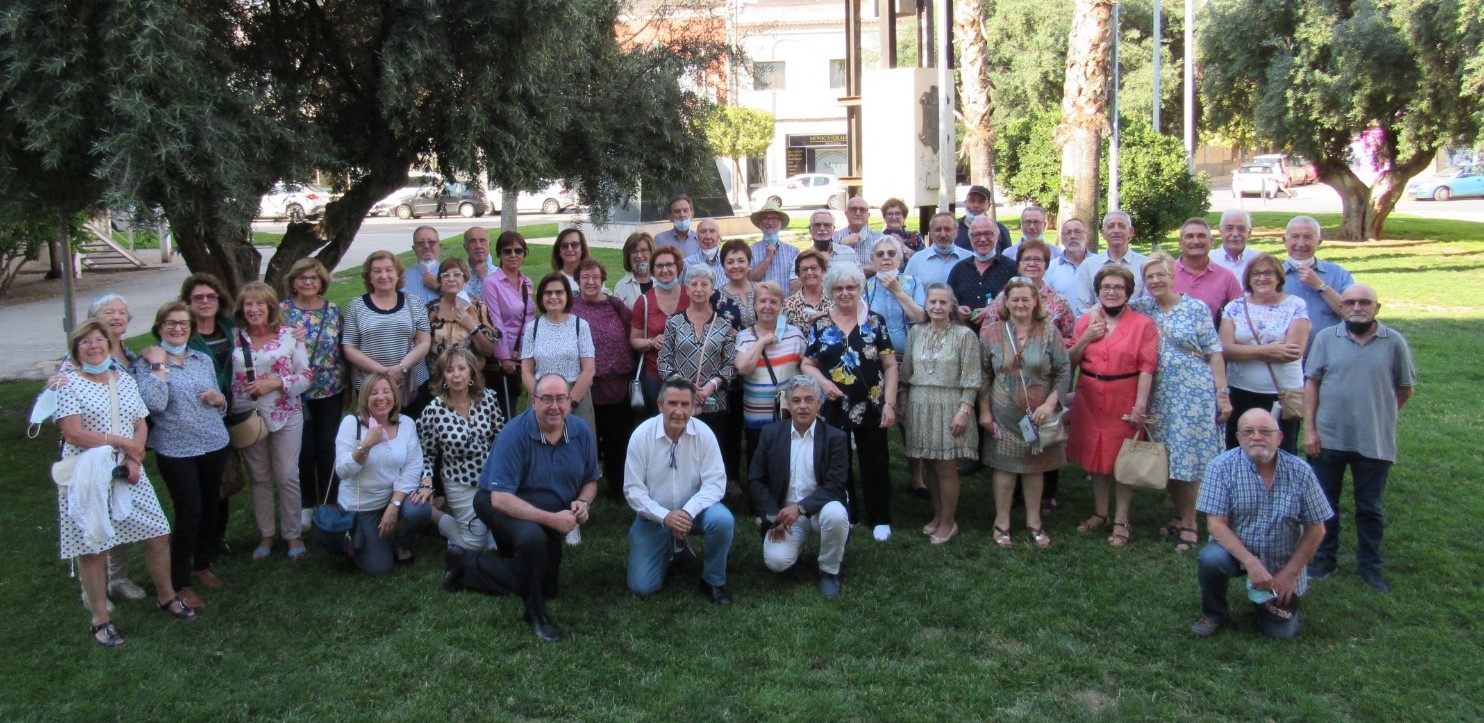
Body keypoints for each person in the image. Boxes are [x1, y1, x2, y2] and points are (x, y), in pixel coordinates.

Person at [56, 322, 198, 648]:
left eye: (99, 340)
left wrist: (134, 457)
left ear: (109, 345)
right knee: (93, 546)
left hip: (127, 468)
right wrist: (121, 442)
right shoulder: (67, 384)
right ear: (76, 350)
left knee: (158, 531)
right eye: (86, 342)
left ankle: (166, 595)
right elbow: (73, 433)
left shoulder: (122, 380)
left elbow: (140, 422)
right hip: (88, 474)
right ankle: (100, 619)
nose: (94, 346)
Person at [445, 375, 599, 644]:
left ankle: (465, 564)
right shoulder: (514, 434)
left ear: (569, 401)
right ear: (533, 401)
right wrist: (552, 520)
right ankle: (536, 614)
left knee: (546, 584)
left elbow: (590, 480)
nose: (555, 406)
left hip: (546, 509)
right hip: (501, 501)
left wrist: (583, 502)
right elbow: (500, 499)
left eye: (561, 398)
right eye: (547, 399)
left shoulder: (580, 431)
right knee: (532, 538)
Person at [1302, 285, 1416, 593]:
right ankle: (1324, 560)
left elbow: (1405, 388)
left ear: (1377, 307)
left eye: (1364, 302)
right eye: (1350, 302)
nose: (1357, 307)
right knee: (1325, 505)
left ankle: (1370, 567)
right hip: (1328, 438)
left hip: (1374, 441)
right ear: (1341, 307)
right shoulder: (1326, 338)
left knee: (1370, 508)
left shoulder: (1394, 342)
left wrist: (1380, 416)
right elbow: (1311, 384)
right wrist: (1309, 429)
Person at [1191, 409, 1332, 640]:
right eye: (1248, 431)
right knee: (1211, 559)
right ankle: (1214, 614)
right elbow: (1216, 525)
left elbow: (1317, 529)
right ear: (1238, 438)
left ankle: (1265, 603)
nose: (1256, 437)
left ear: (1279, 437)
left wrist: (1290, 574)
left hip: (1281, 557)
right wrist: (1251, 563)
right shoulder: (1220, 467)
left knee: (1282, 634)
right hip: (1235, 551)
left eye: (1265, 431)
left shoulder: (1301, 471)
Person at [1130, 253, 1232, 554]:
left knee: (1189, 458)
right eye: (1149, 277)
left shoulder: (1195, 308)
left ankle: (1190, 523)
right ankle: (1178, 513)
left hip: (1193, 392)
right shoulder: (1143, 307)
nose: (1155, 281)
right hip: (1159, 394)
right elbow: (1109, 306)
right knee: (1169, 456)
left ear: (1172, 276)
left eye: (1160, 275)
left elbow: (1214, 352)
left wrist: (1222, 393)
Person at [131, 302, 230, 612]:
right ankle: (180, 581)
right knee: (190, 510)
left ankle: (202, 563)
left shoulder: (202, 359)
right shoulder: (148, 362)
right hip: (176, 448)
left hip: (213, 441)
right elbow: (155, 404)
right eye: (171, 323)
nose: (178, 328)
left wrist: (220, 399)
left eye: (184, 323)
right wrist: (159, 366)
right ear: (160, 327)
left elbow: (220, 403)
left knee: (211, 505)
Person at [53, 294, 148, 605]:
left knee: (121, 517)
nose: (117, 317)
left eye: (122, 312)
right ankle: (93, 588)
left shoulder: (130, 357)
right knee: (92, 518)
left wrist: (134, 452)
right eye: (109, 312)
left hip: (126, 453)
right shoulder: (76, 362)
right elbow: (65, 409)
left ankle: (118, 577)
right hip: (90, 456)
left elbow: (138, 412)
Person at [802, 262, 899, 541]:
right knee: (837, 462)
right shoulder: (820, 324)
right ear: (830, 291)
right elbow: (807, 364)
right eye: (838, 288)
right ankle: (847, 512)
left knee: (875, 461)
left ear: (860, 289)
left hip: (871, 404)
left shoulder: (875, 322)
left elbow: (890, 366)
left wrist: (889, 404)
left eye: (851, 287)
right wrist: (823, 383)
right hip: (833, 405)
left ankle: (880, 517)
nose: (845, 293)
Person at [1068, 265, 1159, 546]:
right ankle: (1100, 512)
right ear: (1098, 291)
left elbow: (1147, 367)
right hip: (1090, 397)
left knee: (1123, 459)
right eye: (1106, 287)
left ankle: (1121, 519)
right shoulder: (1087, 321)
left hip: (1124, 398)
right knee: (1096, 458)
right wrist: (1087, 336)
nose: (1111, 292)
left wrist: (1140, 405)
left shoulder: (1143, 325)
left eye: (1118, 287)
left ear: (1128, 292)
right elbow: (1070, 359)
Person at [623, 380, 735, 604]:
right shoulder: (641, 436)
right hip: (654, 516)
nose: (679, 411)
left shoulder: (704, 434)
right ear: (660, 405)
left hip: (696, 512)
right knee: (642, 587)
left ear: (693, 407)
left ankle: (713, 581)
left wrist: (687, 512)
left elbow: (715, 483)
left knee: (723, 520)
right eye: (672, 403)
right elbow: (633, 490)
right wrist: (665, 516)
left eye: (685, 405)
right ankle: (672, 546)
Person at [979, 278, 1070, 549]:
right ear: (1006, 303)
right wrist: (984, 412)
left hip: (1038, 416)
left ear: (1035, 302)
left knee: (1034, 468)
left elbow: (1064, 370)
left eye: (1025, 299)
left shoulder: (1049, 331)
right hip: (1003, 413)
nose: (1020, 304)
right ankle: (1001, 523)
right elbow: (983, 374)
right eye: (1015, 299)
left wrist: (1050, 404)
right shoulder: (992, 332)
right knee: (1004, 467)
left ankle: (1034, 522)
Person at [748, 375, 851, 598]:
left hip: (821, 509)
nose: (802, 406)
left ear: (819, 403)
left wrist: (801, 508)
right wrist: (772, 517)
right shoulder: (770, 433)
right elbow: (756, 480)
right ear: (788, 403)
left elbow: (835, 486)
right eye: (796, 400)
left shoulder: (836, 438)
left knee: (836, 514)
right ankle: (798, 546)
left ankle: (829, 570)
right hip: (784, 515)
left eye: (808, 400)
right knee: (776, 562)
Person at [232, 281, 312, 561]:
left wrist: (276, 383)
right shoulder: (235, 337)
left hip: (285, 412)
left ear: (270, 307)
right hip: (248, 417)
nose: (254, 309)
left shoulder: (290, 335)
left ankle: (293, 535)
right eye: (248, 304)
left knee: (287, 475)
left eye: (260, 304)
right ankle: (266, 534)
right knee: (259, 477)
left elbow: (306, 376)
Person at [332, 373, 434, 575]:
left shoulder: (406, 424)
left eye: (386, 391)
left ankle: (401, 539)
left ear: (394, 397)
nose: (381, 397)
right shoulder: (351, 424)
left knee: (420, 509)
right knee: (380, 567)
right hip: (362, 506)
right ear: (364, 398)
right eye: (374, 393)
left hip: (393, 497)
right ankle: (360, 536)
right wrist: (365, 446)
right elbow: (343, 471)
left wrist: (394, 505)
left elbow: (413, 467)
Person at [904, 284, 982, 545]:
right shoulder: (916, 332)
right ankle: (937, 515)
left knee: (946, 465)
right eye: (933, 302)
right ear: (925, 305)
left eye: (943, 302)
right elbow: (906, 372)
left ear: (952, 306)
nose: (937, 307)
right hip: (920, 404)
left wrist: (964, 410)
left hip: (950, 405)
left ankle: (949, 522)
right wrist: (903, 403)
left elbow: (972, 378)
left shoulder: (964, 335)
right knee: (929, 463)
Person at [279, 258, 346, 533]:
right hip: (294, 392)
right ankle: (306, 502)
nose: (308, 282)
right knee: (303, 448)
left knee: (328, 445)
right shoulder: (282, 311)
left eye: (313, 278)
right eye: (302, 278)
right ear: (293, 282)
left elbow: (342, 347)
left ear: (322, 282)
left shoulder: (333, 310)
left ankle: (330, 500)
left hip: (330, 388)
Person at [1219, 253, 1310, 452]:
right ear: (1248, 279)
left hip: (1282, 394)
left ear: (1278, 277)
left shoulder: (1295, 305)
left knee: (1281, 449)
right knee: (1240, 448)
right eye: (1256, 274)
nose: (1262, 278)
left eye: (1268, 273)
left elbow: (1293, 352)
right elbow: (1225, 350)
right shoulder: (1234, 308)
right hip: (1241, 391)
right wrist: (1270, 349)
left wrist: (1244, 351)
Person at [658, 265, 739, 484]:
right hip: (681, 402)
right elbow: (663, 361)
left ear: (713, 289)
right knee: (681, 451)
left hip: (714, 401)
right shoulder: (674, 322)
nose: (699, 289)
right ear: (686, 289)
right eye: (694, 284)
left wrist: (712, 385)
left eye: (705, 284)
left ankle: (713, 492)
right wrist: (686, 386)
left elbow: (731, 363)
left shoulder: (723, 324)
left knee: (712, 452)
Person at [419, 349, 503, 553]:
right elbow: (426, 454)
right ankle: (433, 514)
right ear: (443, 376)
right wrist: (427, 483)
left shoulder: (488, 398)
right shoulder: (433, 411)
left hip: (490, 477)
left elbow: (501, 437)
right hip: (459, 481)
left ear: (471, 372)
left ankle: (482, 530)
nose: (456, 375)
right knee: (476, 545)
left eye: (461, 368)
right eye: (449, 370)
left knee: (497, 544)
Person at [181, 274, 237, 570]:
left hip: (232, 408)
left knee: (223, 480)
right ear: (188, 302)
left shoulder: (229, 328)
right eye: (198, 298)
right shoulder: (184, 333)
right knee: (197, 487)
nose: (205, 302)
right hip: (199, 414)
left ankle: (218, 536)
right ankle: (198, 543)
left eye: (210, 296)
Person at [570, 259, 637, 502]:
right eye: (585, 277)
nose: (591, 282)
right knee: (587, 440)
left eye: (595, 277)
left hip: (618, 386)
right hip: (588, 387)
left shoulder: (614, 304)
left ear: (603, 280)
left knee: (618, 441)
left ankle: (619, 487)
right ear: (578, 281)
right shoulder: (572, 308)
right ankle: (585, 489)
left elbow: (632, 330)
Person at [521, 272, 598, 480]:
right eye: (548, 293)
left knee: (577, 447)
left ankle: (581, 489)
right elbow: (526, 370)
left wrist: (569, 403)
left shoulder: (580, 325)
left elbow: (588, 369)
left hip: (575, 395)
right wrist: (539, 398)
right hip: (542, 396)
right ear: (541, 297)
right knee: (540, 448)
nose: (553, 297)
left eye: (559, 292)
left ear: (567, 296)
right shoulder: (533, 328)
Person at [342, 250, 433, 414]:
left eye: (389, 270)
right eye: (377, 271)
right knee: (375, 429)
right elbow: (350, 347)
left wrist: (401, 367)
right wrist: (381, 371)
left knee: (412, 427)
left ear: (397, 274)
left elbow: (423, 341)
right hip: (371, 386)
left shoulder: (414, 302)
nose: (384, 276)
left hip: (411, 384)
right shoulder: (356, 306)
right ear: (369, 277)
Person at [735, 281, 807, 452]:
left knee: (789, 460)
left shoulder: (795, 334)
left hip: (789, 414)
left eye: (773, 302)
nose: (767, 306)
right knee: (758, 461)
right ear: (754, 305)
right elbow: (743, 369)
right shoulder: (744, 337)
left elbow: (807, 370)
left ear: (782, 305)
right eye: (762, 301)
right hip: (756, 417)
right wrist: (761, 342)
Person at [424, 257, 499, 400]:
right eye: (446, 275)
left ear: (465, 280)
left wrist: (471, 326)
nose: (451, 279)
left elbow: (489, 351)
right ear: (440, 281)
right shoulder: (430, 310)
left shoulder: (478, 308)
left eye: (457, 274)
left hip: (471, 384)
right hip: (437, 384)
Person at [629, 245, 690, 415]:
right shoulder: (644, 301)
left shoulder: (690, 295)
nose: (665, 270)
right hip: (655, 376)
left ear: (678, 267)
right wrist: (652, 341)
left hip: (688, 373)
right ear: (653, 271)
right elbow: (634, 340)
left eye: (669, 264)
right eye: (659, 266)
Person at [483, 231, 536, 421]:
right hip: (505, 358)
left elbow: (529, 317)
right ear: (499, 254)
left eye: (518, 251)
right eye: (507, 251)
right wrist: (505, 358)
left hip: (526, 354)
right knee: (507, 411)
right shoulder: (491, 283)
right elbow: (496, 321)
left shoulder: (527, 282)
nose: (513, 255)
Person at [1282, 215, 1353, 347]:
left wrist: (1320, 286)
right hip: (1286, 353)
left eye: (1308, 237)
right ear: (1284, 240)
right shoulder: (1272, 276)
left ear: (1319, 242)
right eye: (1295, 237)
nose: (1301, 244)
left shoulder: (1338, 274)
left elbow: (1351, 314)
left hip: (1329, 351)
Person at [947, 215, 1016, 331]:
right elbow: (946, 302)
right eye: (977, 235)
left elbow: (1021, 304)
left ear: (997, 236)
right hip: (964, 336)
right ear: (970, 238)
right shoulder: (958, 269)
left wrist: (993, 311)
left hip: (1000, 336)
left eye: (988, 234)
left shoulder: (1012, 268)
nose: (983, 239)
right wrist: (956, 310)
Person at [1075, 211, 1149, 316]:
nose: (1116, 230)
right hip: (1098, 324)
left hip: (1137, 325)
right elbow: (1084, 307)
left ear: (1131, 231)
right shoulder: (1088, 265)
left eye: (1121, 226)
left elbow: (1147, 305)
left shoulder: (1144, 265)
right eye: (1111, 226)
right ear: (1103, 233)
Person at [1173, 218, 1243, 327]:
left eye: (1201, 236)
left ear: (1211, 242)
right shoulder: (1164, 274)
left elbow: (1241, 317)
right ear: (1180, 243)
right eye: (1189, 236)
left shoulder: (1226, 277)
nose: (1196, 241)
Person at [903, 211, 972, 287]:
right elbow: (904, 289)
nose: (943, 235)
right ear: (931, 233)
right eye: (938, 230)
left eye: (947, 229)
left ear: (957, 233)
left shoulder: (970, 259)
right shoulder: (916, 261)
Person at [747, 200, 799, 290]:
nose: (770, 223)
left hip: (786, 299)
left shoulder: (793, 251)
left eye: (774, 218)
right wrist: (767, 258)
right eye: (765, 218)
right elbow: (750, 279)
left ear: (781, 223)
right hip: (761, 299)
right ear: (759, 223)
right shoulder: (750, 251)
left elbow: (797, 283)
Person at [1043, 217, 1091, 306]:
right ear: (1061, 239)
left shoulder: (1100, 265)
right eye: (1068, 232)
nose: (1073, 236)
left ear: (1087, 237)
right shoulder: (1050, 268)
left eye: (1077, 232)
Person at [952, 184, 1012, 254]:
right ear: (965, 203)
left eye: (981, 202)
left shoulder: (1000, 229)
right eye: (972, 201)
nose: (976, 205)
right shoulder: (953, 227)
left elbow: (1008, 255)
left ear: (988, 206)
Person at [781, 249, 833, 329]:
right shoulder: (787, 306)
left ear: (823, 271)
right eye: (804, 269)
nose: (809, 272)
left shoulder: (835, 300)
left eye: (814, 268)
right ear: (798, 274)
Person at [833, 196, 885, 271]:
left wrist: (853, 269)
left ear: (868, 215)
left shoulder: (879, 238)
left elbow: (885, 266)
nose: (858, 213)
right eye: (853, 209)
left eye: (862, 209)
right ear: (846, 214)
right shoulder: (835, 237)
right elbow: (829, 265)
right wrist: (841, 245)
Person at [550, 228, 605, 293]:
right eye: (564, 246)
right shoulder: (553, 281)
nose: (569, 249)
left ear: (582, 249)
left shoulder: (594, 276)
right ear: (559, 251)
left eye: (574, 245)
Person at [1212, 209, 1261, 281]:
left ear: (1249, 233)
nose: (1235, 234)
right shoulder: (1208, 260)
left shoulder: (1260, 261)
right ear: (1221, 231)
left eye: (1241, 229)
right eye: (1229, 228)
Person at [613, 231, 655, 307]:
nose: (639, 255)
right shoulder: (621, 287)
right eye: (634, 251)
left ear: (651, 253)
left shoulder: (661, 281)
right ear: (628, 256)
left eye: (643, 250)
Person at [403, 226, 442, 306]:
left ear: (439, 246)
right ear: (414, 248)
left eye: (431, 242)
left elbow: (465, 304)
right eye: (420, 243)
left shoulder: (455, 275)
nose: (426, 246)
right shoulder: (402, 278)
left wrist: (440, 287)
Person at [462, 226, 495, 301]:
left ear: (489, 245)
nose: (478, 246)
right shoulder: (458, 273)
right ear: (465, 247)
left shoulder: (499, 274)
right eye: (472, 242)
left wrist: (486, 278)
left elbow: (503, 303)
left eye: (482, 241)